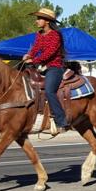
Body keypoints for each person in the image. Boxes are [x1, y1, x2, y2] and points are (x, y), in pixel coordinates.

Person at [22, 7, 69, 136]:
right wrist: (28, 55)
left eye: (39, 18)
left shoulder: (55, 35)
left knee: (49, 91)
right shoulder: (39, 34)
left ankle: (61, 121)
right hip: (43, 68)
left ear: (47, 21)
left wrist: (34, 60)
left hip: (55, 68)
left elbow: (50, 52)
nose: (36, 21)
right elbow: (35, 48)